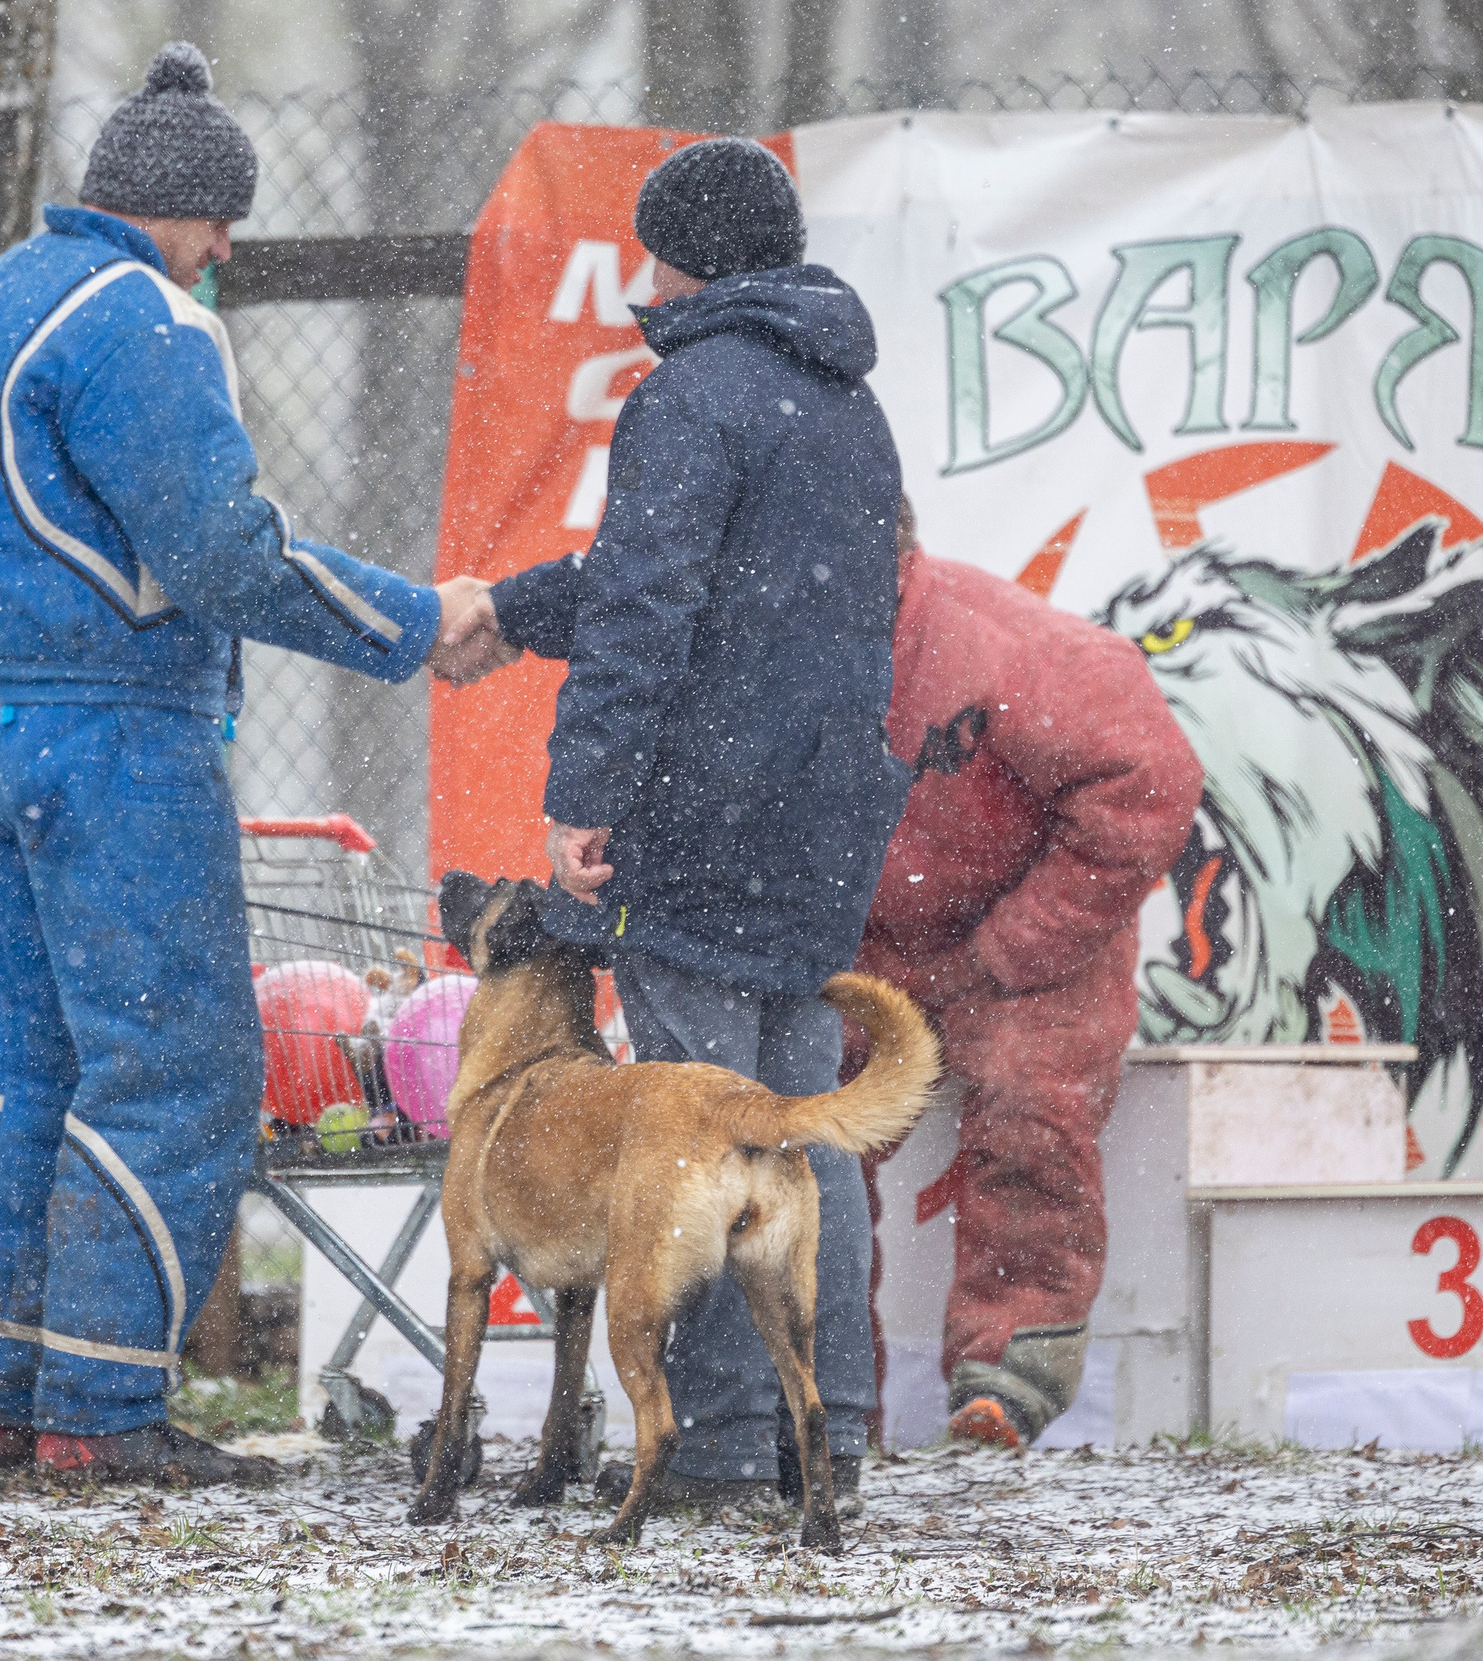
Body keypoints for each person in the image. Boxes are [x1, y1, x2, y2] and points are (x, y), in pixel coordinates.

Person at [0, 41, 505, 1487]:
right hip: (113, 737)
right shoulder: (146, 321)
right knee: (175, 1062)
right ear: (172, 209)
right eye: (219, 220)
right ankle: (104, 1412)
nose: (226, 249)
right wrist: (419, 623)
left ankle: (4, 1390)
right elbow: (223, 553)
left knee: (31, 1057)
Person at [455, 137, 912, 1512]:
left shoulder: (689, 396)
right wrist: (515, 609)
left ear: (690, 257)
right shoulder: (848, 403)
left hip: (702, 823)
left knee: (694, 1148)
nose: (645, 276)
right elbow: (727, 581)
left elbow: (651, 605)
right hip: (815, 822)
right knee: (794, 1133)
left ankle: (708, 1447)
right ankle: (820, 1434)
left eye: (657, 251)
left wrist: (583, 798)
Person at [853, 518, 1202, 1449]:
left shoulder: (1014, 649)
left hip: (1037, 935)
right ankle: (823, 1384)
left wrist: (1009, 950)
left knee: (1028, 1099)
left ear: (892, 561)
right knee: (806, 1115)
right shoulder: (778, 643)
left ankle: (1011, 1370)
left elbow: (1150, 787)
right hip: (871, 938)